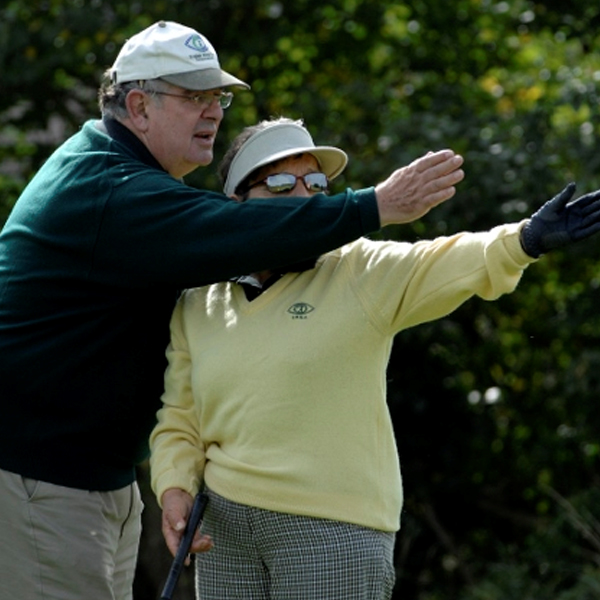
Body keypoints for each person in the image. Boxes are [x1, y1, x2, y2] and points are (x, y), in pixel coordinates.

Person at [0, 20, 465, 600]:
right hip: (38, 484)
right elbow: (233, 231)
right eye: (195, 97)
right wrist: (373, 206)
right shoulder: (110, 189)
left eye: (217, 97)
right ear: (139, 105)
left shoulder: (121, 175)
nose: (215, 112)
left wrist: (526, 239)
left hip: (83, 485)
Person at [149, 117, 600, 600]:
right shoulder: (199, 297)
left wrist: (525, 239)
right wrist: (173, 487)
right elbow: (179, 418)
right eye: (280, 183)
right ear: (238, 203)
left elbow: (447, 259)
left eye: (317, 183)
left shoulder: (359, 267)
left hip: (333, 530)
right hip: (226, 533)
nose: (305, 197)